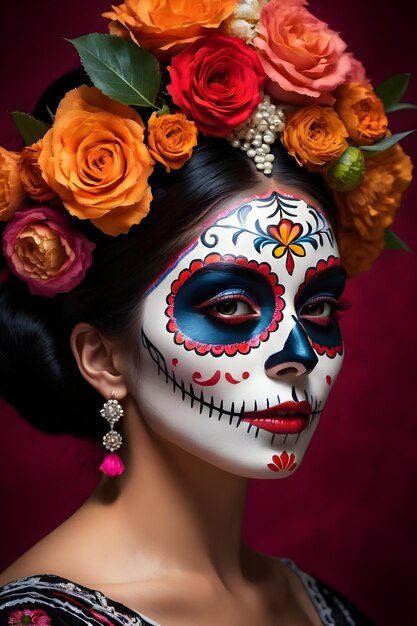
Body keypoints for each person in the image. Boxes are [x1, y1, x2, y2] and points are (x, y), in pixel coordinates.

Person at [0, 1, 413, 625]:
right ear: (101, 356)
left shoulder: (318, 605)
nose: (300, 355)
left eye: (320, 305)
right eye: (229, 306)